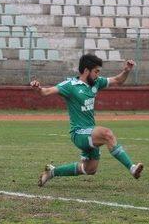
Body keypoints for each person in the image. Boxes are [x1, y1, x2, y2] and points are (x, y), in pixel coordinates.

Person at [30, 54, 143, 186]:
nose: (98, 74)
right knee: (107, 134)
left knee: (90, 169)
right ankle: (132, 168)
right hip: (79, 133)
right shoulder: (70, 85)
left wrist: (126, 71)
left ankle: (51, 172)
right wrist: (38, 88)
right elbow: (46, 92)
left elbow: (118, 80)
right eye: (96, 71)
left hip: (90, 132)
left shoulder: (96, 82)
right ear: (86, 71)